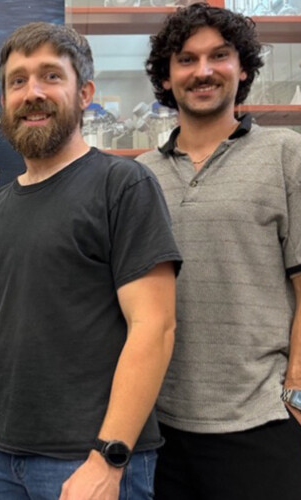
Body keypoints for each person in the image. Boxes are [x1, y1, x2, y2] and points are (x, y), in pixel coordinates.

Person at [0, 22, 182, 500]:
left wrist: (108, 458)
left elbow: (155, 327)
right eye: (17, 81)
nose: (32, 93)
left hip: (90, 463)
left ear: (85, 93)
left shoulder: (123, 185)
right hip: (0, 460)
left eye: (50, 77)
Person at [136, 4, 301, 499]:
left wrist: (296, 387)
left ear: (243, 68)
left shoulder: (285, 154)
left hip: (261, 423)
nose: (203, 71)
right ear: (166, 78)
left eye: (219, 56)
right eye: (186, 60)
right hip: (159, 429)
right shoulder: (139, 175)